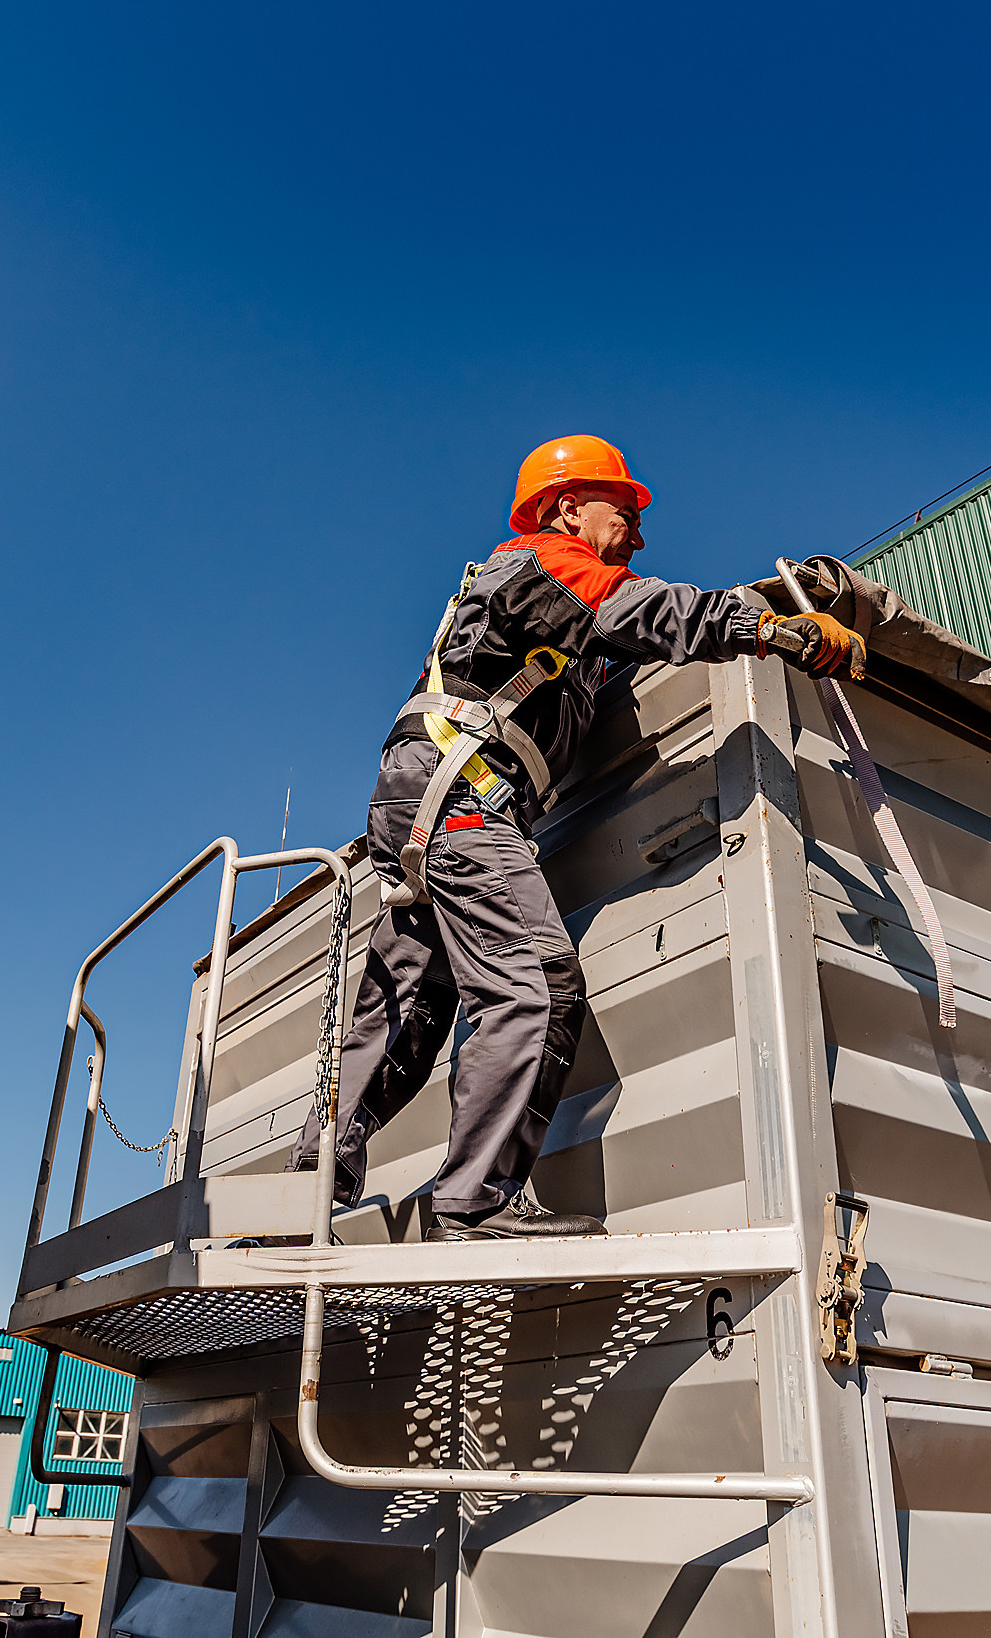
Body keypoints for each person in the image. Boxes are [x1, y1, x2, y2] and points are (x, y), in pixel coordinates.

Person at [289, 435, 862, 1241]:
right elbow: (648, 612)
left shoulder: (548, 605)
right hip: (463, 793)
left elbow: (620, 640)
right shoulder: (542, 562)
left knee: (403, 1016)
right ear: (567, 508)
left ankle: (300, 1201)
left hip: (427, 794)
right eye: (623, 510)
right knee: (537, 980)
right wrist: (771, 629)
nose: (637, 532)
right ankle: (473, 1202)